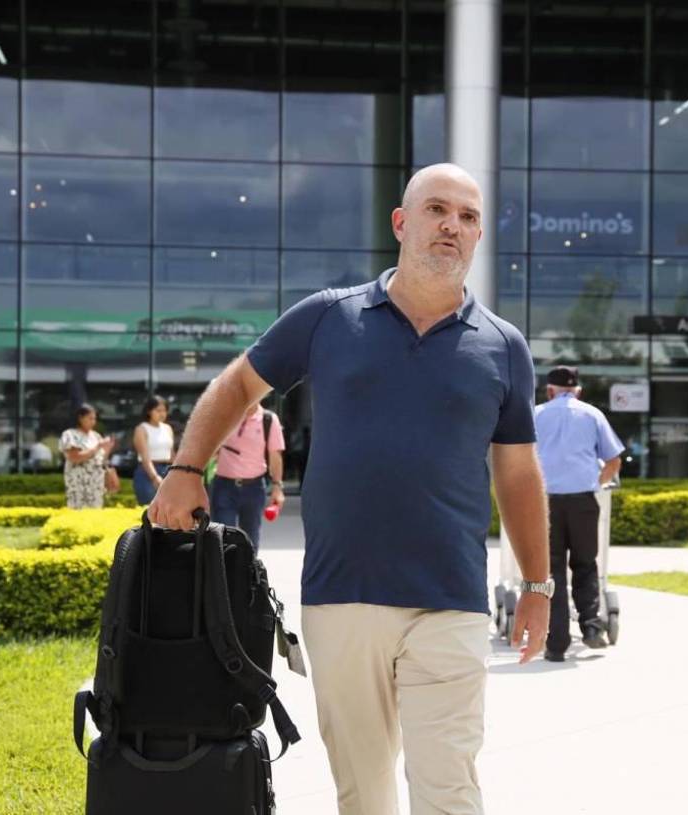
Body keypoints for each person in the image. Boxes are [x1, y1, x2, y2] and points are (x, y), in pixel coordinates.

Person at [149, 163, 551, 815]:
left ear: (478, 237)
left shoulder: (504, 347)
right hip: (341, 598)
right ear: (402, 222)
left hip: (450, 599)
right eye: (437, 210)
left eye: (468, 217)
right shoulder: (328, 317)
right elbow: (236, 385)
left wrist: (537, 586)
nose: (452, 225)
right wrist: (186, 470)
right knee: (363, 795)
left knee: (448, 784)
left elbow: (519, 472)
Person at [533, 365, 625, 662]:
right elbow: (613, 461)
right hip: (583, 500)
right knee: (586, 564)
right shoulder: (592, 414)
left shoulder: (536, 414)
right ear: (578, 390)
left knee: (553, 570)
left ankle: (556, 644)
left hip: (546, 503)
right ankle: (591, 629)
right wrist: (594, 483)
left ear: (549, 390)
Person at [208, 401, 285, 551]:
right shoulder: (225, 415)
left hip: (254, 488)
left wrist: (277, 487)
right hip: (224, 487)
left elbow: (275, 456)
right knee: (222, 538)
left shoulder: (268, 419)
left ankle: (248, 574)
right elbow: (210, 449)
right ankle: (224, 574)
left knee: (250, 540)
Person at [60, 403, 115, 509]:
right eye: (90, 418)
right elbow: (74, 457)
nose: (93, 422)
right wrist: (97, 447)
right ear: (80, 418)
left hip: (96, 485)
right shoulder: (70, 435)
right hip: (78, 484)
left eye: (94, 419)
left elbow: (102, 461)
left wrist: (107, 450)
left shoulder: (96, 436)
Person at [131, 395, 174, 505]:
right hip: (147, 472)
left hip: (167, 470)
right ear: (149, 411)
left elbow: (172, 454)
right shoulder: (141, 429)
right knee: (150, 509)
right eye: (158, 410)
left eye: (164, 410)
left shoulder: (167, 428)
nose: (162, 414)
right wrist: (154, 477)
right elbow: (145, 457)